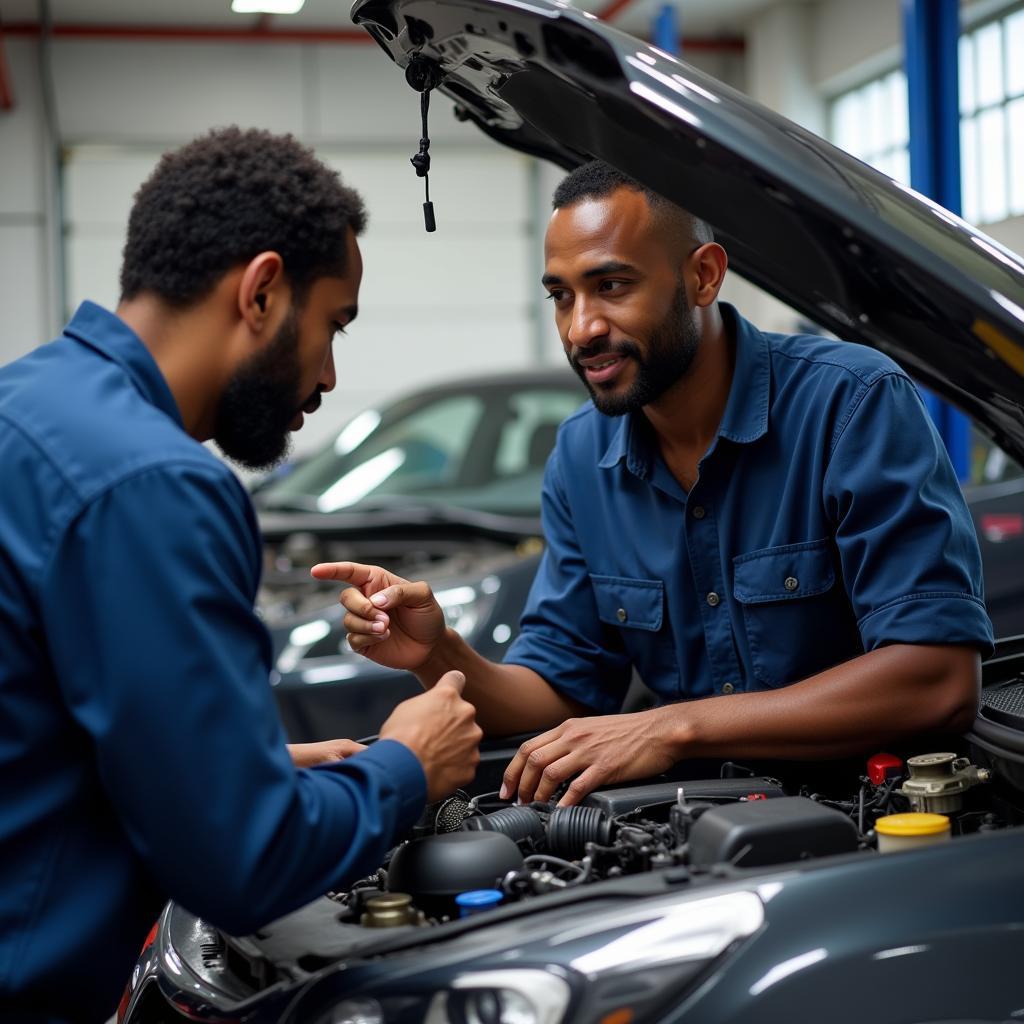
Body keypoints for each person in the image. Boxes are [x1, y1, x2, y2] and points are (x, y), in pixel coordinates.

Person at [315, 159, 993, 810]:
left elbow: (935, 679)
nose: (581, 329)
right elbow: (558, 687)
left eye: (612, 286)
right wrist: (438, 651)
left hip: (878, 821)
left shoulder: (851, 405)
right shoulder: (582, 457)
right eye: (561, 296)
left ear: (702, 277)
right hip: (690, 835)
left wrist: (670, 727)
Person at [0, 127, 481, 1022]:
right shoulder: (155, 484)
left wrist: (248, 765)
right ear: (261, 292)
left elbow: (41, 731)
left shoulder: (25, 404)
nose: (331, 375)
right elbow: (244, 862)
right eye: (332, 325)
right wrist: (407, 765)